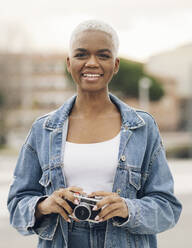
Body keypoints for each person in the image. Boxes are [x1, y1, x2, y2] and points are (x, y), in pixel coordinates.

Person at [7, 20, 182, 248]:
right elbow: (16, 206)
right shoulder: (44, 129)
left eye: (103, 55)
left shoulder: (142, 127)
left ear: (116, 64)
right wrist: (44, 205)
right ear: (69, 63)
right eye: (81, 55)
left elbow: (168, 208)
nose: (92, 63)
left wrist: (128, 209)